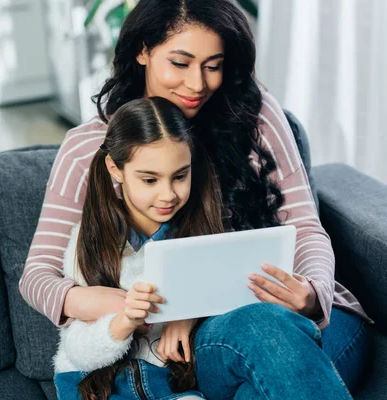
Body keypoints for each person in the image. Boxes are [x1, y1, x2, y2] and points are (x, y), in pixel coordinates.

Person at [21, 0, 372, 397]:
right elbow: (38, 276)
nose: (197, 84)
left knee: (264, 350)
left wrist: (312, 294)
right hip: (203, 343)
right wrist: (109, 304)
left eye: (213, 65)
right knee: (259, 330)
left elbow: (306, 227)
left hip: (306, 318)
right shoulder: (89, 148)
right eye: (180, 63)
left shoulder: (255, 116)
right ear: (143, 51)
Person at [54, 96, 217, 400]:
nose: (168, 194)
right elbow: (78, 351)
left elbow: (227, 296)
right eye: (149, 180)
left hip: (166, 381)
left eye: (180, 176)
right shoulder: (89, 239)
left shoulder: (199, 230)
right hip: (93, 384)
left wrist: (188, 315)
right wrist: (124, 321)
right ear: (116, 170)